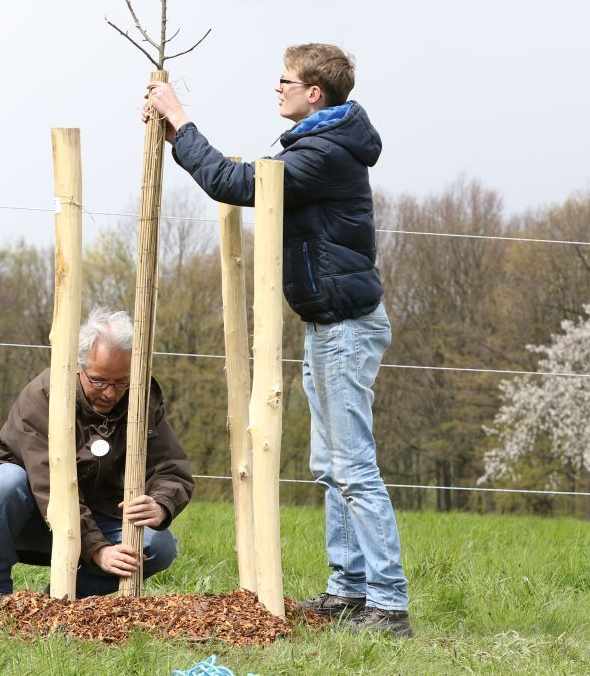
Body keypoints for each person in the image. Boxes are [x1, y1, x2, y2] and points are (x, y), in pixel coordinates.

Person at [144, 43, 412, 637]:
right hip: (328, 324)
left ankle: (389, 604)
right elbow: (241, 177)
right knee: (330, 465)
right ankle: (348, 590)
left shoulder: (324, 153)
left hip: (344, 327)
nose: (277, 88)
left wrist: (181, 120)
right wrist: (177, 138)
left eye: (284, 80)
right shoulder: (321, 144)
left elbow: (238, 184)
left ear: (314, 93)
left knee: (352, 467)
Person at [0, 306, 194, 605]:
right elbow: (48, 484)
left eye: (121, 382)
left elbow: (171, 468)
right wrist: (98, 548)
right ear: (78, 367)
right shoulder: (44, 394)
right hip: (31, 513)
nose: (110, 393)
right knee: (4, 482)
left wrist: (161, 504)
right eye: (98, 381)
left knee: (158, 545)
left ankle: (59, 600)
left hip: (97, 512)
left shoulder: (142, 397)